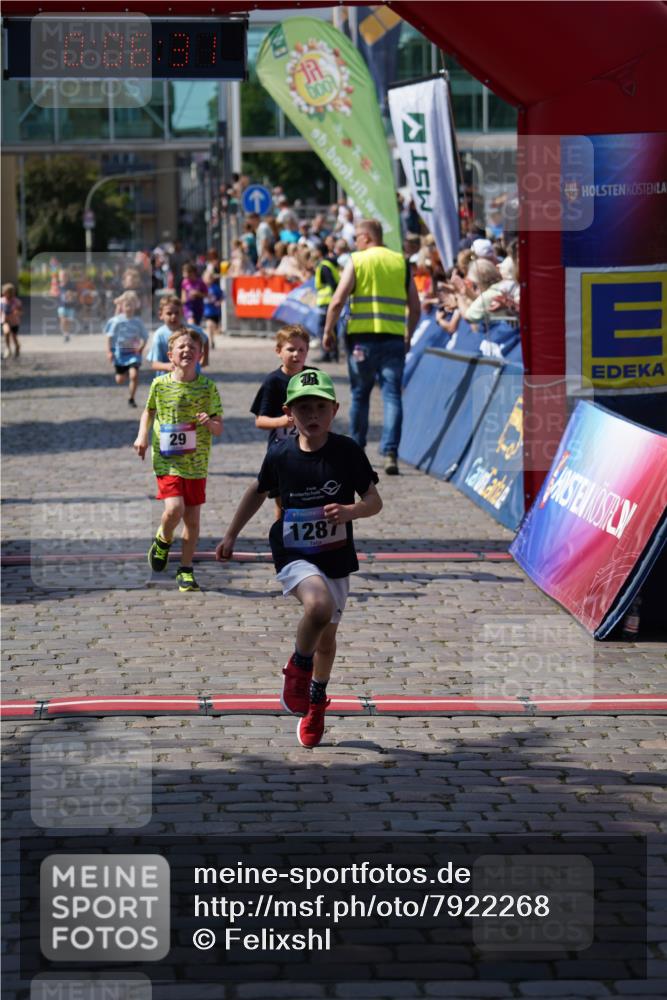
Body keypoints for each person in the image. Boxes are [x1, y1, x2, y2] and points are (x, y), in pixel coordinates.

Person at [216, 369, 382, 748]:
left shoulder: (348, 452)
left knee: (327, 640)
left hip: (336, 555)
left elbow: (374, 501)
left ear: (334, 410)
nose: (312, 415)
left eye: (320, 408)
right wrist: (230, 534)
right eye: (303, 408)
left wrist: (350, 511)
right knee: (318, 606)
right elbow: (257, 492)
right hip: (293, 551)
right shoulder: (281, 455)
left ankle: (316, 700)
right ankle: (298, 668)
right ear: (288, 413)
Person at [323, 218, 420, 476]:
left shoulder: (357, 260)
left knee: (359, 395)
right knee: (392, 396)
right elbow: (416, 306)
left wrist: (328, 330)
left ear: (367, 237)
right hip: (392, 340)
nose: (355, 242)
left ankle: (357, 449)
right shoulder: (401, 261)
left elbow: (337, 300)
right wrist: (408, 334)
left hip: (362, 341)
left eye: (356, 237)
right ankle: (390, 452)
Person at [134, 328, 223, 592]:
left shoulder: (208, 388)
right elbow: (148, 413)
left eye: (192, 347)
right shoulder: (159, 385)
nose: (186, 351)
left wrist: (209, 423)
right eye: (181, 347)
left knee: (193, 521)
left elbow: (219, 427)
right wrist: (142, 437)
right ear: (170, 355)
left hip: (197, 462)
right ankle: (163, 539)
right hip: (167, 458)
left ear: (200, 355)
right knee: (174, 509)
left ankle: (185, 569)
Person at [250, 323, 315, 519]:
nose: (296, 354)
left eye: (301, 349)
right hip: (282, 450)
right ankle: (281, 542)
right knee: (284, 503)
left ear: (307, 351)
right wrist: (282, 422)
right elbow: (260, 421)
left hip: (311, 448)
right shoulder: (273, 381)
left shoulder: (313, 377)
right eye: (291, 349)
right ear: (278, 351)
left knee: (310, 499)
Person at [104, 290, 149, 408]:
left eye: (131, 305)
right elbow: (109, 336)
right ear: (122, 307)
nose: (129, 308)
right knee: (119, 380)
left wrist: (141, 348)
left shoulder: (138, 322)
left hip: (133, 353)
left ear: (136, 306)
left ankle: (131, 398)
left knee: (134, 375)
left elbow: (145, 337)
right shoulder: (117, 321)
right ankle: (124, 372)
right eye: (126, 305)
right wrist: (109, 351)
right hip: (120, 354)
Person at [147, 296, 209, 375]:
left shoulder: (193, 331)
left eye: (177, 313)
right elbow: (154, 364)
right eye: (169, 313)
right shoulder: (159, 335)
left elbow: (205, 339)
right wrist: (169, 366)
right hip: (167, 382)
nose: (174, 316)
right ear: (161, 315)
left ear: (182, 313)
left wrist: (205, 359)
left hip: (192, 378)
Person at [313, 246, 340, 362]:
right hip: (330, 301)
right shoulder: (330, 265)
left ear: (319, 252)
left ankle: (327, 353)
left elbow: (332, 283)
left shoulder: (323, 266)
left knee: (324, 329)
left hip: (326, 302)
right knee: (332, 328)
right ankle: (333, 353)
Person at [202, 266, 224, 350]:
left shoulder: (215, 288)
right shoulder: (202, 287)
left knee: (214, 327)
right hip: (206, 311)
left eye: (210, 278)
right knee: (209, 325)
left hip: (215, 312)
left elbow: (222, 296)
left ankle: (212, 339)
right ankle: (211, 341)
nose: (208, 280)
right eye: (207, 278)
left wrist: (219, 302)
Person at [1, 283, 22, 359]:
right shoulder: (2, 301)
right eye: (5, 292)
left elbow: (20, 311)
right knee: (6, 332)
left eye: (9, 292)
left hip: (14, 321)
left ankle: (17, 346)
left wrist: (17, 312)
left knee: (14, 336)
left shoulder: (16, 301)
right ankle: (8, 348)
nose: (7, 294)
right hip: (5, 320)